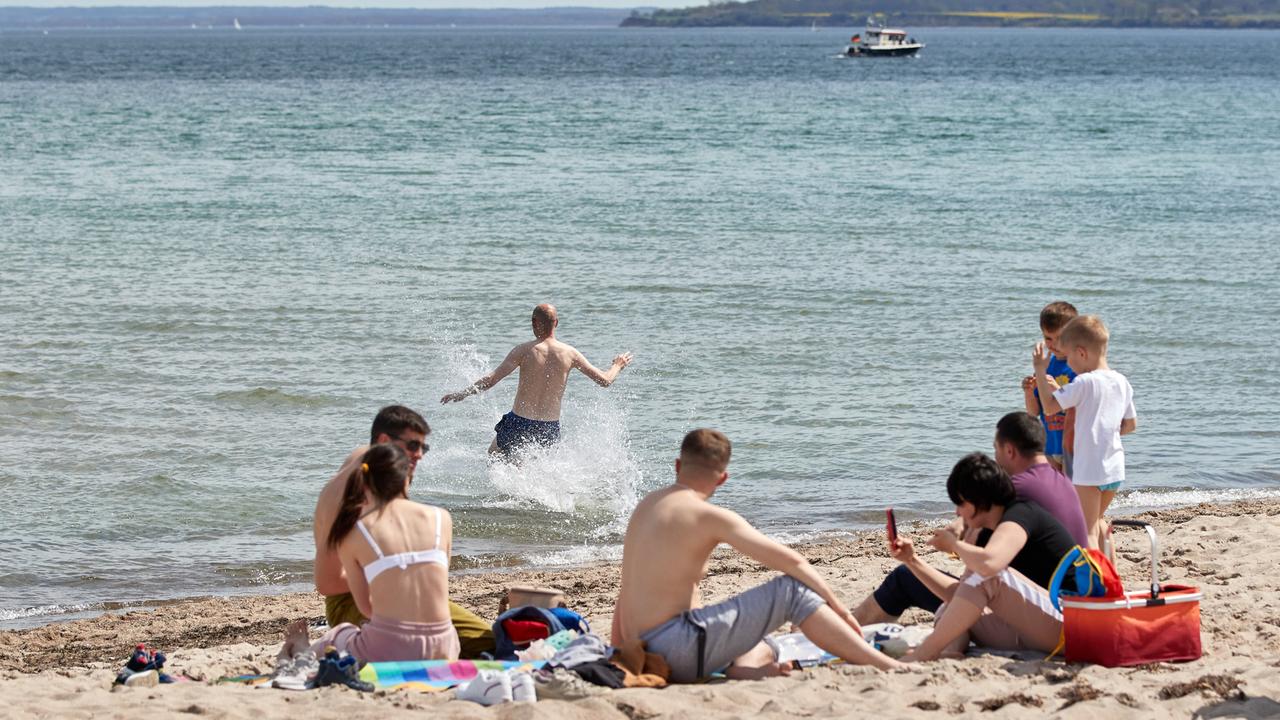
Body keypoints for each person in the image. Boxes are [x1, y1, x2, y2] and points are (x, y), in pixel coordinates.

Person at [611, 429, 903, 681]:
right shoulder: (709, 515)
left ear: (678, 465)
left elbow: (626, 591)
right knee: (792, 592)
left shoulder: (644, 507)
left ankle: (744, 671)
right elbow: (793, 562)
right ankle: (885, 665)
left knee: (766, 642)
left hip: (642, 648)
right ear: (723, 478)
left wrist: (620, 653)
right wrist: (840, 610)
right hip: (679, 649)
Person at [852, 413, 1089, 625]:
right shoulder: (1062, 482)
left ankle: (850, 630)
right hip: (1066, 596)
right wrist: (959, 529)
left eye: (996, 449)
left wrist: (955, 540)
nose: (995, 457)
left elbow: (975, 576)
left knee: (903, 579)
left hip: (1039, 608)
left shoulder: (1015, 493)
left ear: (1009, 451)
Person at [312, 405, 495, 657]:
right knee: (487, 643)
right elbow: (329, 582)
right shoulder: (352, 492)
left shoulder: (373, 467)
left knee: (489, 638)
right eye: (412, 446)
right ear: (384, 441)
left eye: (423, 447)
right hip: (351, 600)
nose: (419, 455)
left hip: (396, 591)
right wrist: (391, 577)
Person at [288, 444, 457, 663]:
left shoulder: (355, 533)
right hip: (445, 647)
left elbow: (367, 608)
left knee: (341, 634)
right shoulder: (441, 518)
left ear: (365, 484)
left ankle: (301, 652)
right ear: (406, 477)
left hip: (389, 651)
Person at [898, 454, 1075, 661]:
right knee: (951, 608)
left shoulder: (1020, 515)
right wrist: (912, 560)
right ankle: (949, 653)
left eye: (960, 503)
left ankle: (923, 654)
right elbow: (960, 594)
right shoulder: (990, 532)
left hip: (1073, 624)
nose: (957, 512)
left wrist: (955, 544)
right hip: (1041, 626)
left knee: (986, 575)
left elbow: (990, 565)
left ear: (977, 501)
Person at [440, 303, 633, 458]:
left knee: (494, 455)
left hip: (519, 423)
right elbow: (605, 381)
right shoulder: (570, 353)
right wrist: (618, 364)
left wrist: (462, 394)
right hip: (549, 427)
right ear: (556, 323)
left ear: (534, 322)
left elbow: (491, 380)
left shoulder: (524, 350)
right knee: (539, 471)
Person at [1034, 314, 1137, 551]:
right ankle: (1111, 576)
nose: (1068, 363)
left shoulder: (1084, 382)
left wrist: (1040, 370)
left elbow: (1049, 408)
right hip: (1114, 466)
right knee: (1099, 523)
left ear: (1081, 353)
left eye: (1069, 356)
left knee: (1085, 531)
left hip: (1089, 469)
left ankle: (1094, 584)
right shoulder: (1122, 381)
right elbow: (1130, 425)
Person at [1021, 301, 1078, 477]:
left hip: (1074, 445)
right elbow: (1034, 412)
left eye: (1059, 338)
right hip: (1050, 443)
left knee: (1073, 496)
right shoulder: (1045, 365)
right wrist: (1029, 392)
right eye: (1048, 338)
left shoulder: (1079, 366)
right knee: (1054, 495)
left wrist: (1059, 391)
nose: (1053, 345)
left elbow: (1084, 408)